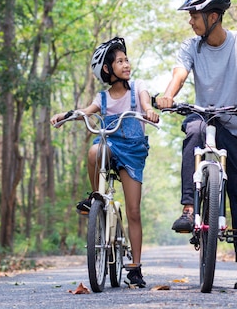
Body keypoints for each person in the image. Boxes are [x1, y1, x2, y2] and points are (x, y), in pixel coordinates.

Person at [155, 0, 237, 290]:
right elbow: (179, 75)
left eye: (195, 15)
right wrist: (168, 96)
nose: (191, 21)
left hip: (234, 124)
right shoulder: (192, 46)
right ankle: (189, 209)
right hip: (203, 117)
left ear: (214, 16)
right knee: (192, 129)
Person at [51, 36, 159, 288]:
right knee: (93, 150)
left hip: (133, 151)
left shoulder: (138, 87)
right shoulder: (103, 98)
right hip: (111, 146)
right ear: (108, 69)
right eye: (119, 61)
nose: (126, 64)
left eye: (126, 59)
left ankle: (135, 267)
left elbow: (145, 102)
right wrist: (66, 115)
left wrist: (149, 110)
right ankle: (96, 197)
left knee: (133, 210)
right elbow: (86, 112)